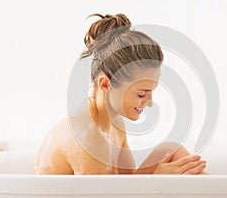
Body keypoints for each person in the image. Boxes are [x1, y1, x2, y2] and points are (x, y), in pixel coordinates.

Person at [33, 13, 208, 175]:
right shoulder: (86, 138)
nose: (149, 102)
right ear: (105, 84)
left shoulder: (114, 122)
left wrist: (158, 178)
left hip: (107, 195)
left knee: (172, 150)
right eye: (141, 94)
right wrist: (158, 179)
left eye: (151, 91)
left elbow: (127, 181)